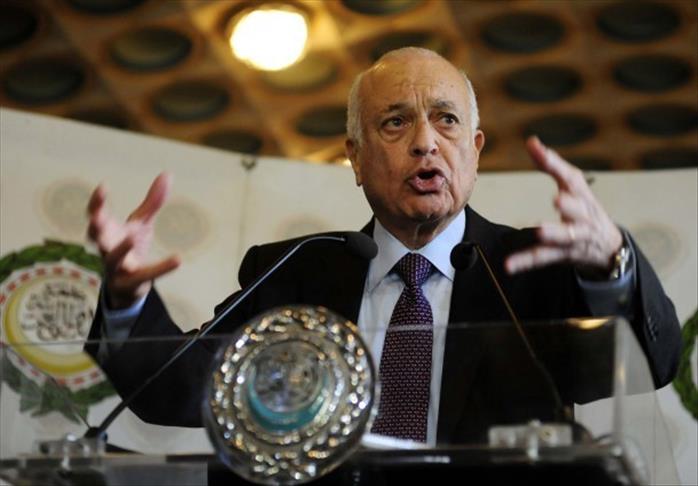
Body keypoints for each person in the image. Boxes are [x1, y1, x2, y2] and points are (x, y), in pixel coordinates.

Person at [85, 48, 681, 445]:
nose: (425, 143)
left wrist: (613, 263)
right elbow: (177, 389)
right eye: (395, 122)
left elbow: (653, 362)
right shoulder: (294, 271)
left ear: (474, 150)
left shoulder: (532, 272)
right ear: (356, 157)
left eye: (446, 120)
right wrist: (126, 300)